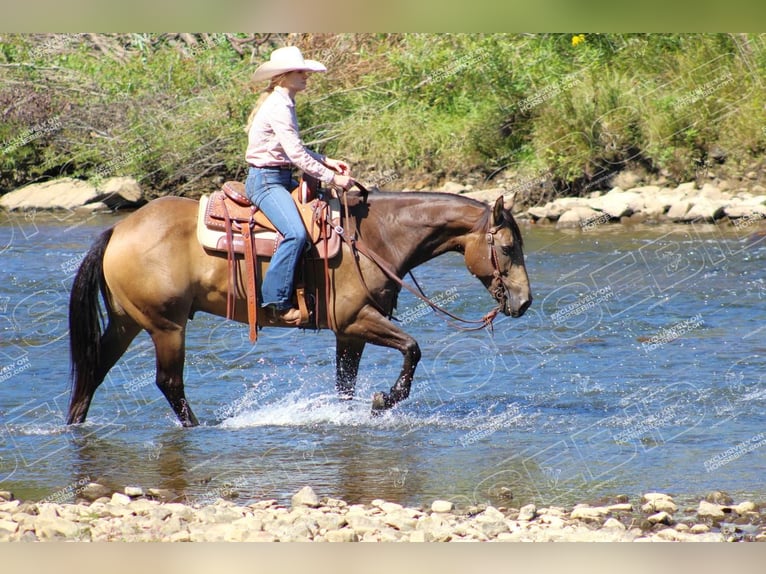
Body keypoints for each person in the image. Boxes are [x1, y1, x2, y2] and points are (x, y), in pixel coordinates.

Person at [245, 46, 353, 325]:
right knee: (296, 233)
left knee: (323, 217)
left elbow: (294, 149)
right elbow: (295, 155)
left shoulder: (283, 101)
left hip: (278, 177)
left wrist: (327, 161)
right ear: (283, 76)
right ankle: (276, 302)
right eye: (300, 71)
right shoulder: (279, 105)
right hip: (266, 181)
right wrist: (333, 178)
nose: (306, 75)